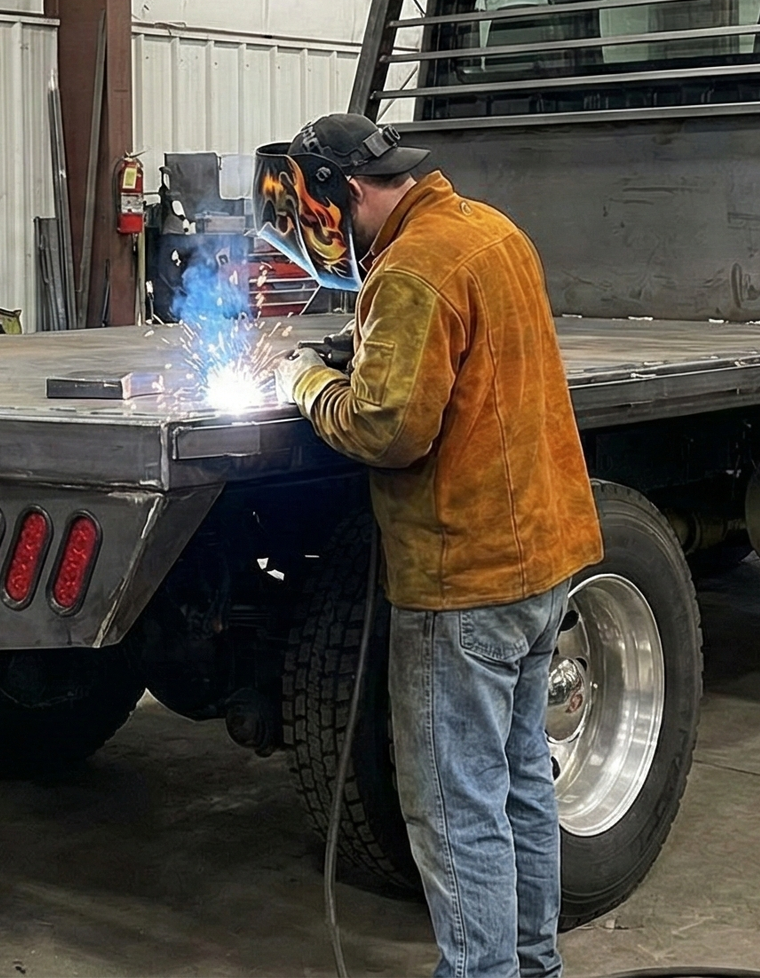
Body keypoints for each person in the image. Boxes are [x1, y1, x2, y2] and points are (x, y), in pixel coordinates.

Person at [273, 114, 602, 978]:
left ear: (345, 192)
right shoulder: (488, 228)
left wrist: (307, 380)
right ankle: (533, 966)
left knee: (456, 808)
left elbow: (389, 430)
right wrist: (369, 349)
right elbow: (468, 360)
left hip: (467, 574)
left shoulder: (413, 267)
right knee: (522, 779)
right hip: (541, 555)